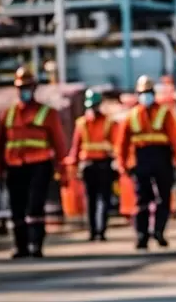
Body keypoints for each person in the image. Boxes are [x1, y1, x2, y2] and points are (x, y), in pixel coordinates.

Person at [0, 66, 67, 258]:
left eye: (27, 87)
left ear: (34, 88)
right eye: (20, 87)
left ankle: (36, 244)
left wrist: (62, 170)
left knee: (35, 205)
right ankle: (20, 246)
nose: (23, 91)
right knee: (17, 207)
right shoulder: (8, 114)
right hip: (14, 166)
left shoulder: (47, 113)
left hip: (39, 165)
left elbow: (59, 144)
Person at [116, 75, 176, 250]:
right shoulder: (131, 116)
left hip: (162, 157)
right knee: (142, 199)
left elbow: (175, 138)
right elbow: (122, 143)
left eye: (148, 92)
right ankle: (142, 235)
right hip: (141, 158)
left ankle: (159, 231)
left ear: (153, 93)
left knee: (164, 197)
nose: (145, 95)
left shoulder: (164, 112)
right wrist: (122, 164)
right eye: (143, 92)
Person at [65, 89, 115, 241]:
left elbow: (116, 144)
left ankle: (101, 230)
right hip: (89, 165)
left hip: (104, 164)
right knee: (91, 199)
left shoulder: (108, 122)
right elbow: (76, 147)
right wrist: (72, 165)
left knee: (104, 200)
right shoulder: (81, 124)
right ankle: (93, 231)